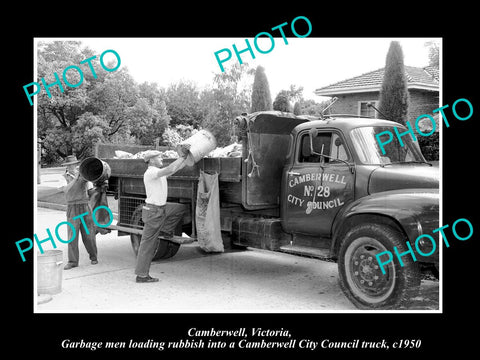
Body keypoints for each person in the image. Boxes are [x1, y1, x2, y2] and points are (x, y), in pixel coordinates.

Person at [135, 146, 191, 283]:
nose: (162, 159)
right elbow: (171, 168)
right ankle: (141, 275)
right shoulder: (151, 172)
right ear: (151, 160)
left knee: (180, 208)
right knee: (148, 245)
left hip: (161, 208)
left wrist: (187, 158)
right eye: (159, 157)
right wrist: (183, 156)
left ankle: (165, 231)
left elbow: (174, 169)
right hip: (154, 211)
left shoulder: (158, 172)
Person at [61, 155, 98, 270]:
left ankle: (94, 256)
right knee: (72, 235)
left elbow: (91, 191)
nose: (72, 167)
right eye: (69, 165)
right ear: (66, 166)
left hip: (85, 207)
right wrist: (76, 179)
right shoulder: (63, 177)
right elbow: (65, 189)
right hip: (72, 208)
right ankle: (72, 261)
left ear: (76, 164)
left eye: (73, 164)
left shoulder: (84, 176)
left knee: (89, 234)